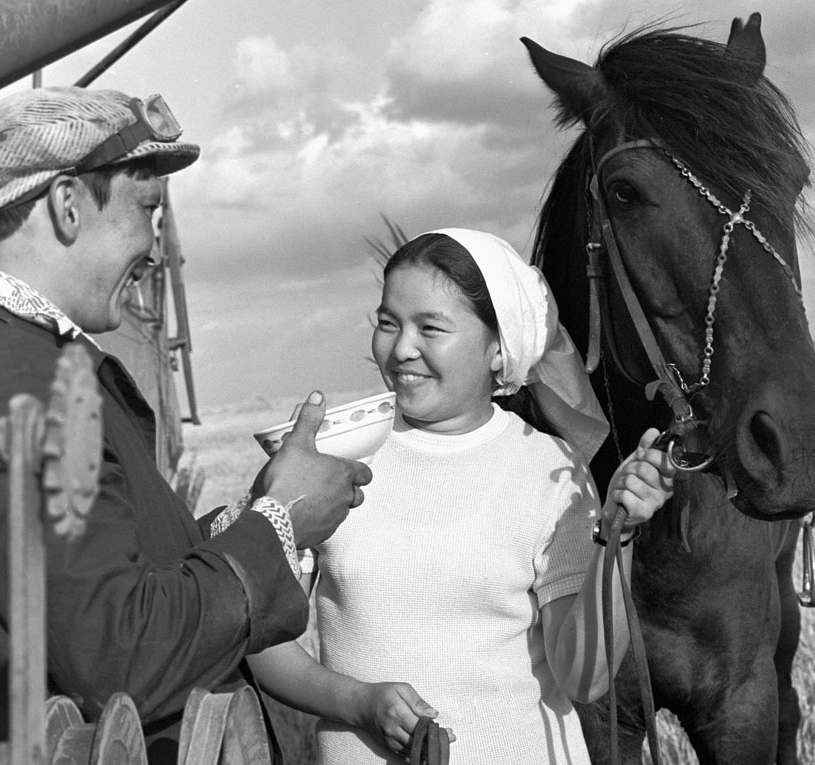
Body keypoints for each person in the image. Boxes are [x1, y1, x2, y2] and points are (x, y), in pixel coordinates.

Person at [0, 86, 371, 763]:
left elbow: (112, 568)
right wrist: (281, 525)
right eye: (146, 209)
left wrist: (260, 507)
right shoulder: (12, 385)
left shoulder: (16, 358)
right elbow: (117, 650)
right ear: (67, 206)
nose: (153, 247)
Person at [246, 229, 677, 764]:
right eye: (388, 323)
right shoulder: (325, 459)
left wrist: (619, 532)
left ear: (499, 349)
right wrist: (357, 703)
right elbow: (258, 635)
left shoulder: (551, 470)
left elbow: (584, 678)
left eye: (431, 327)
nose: (402, 348)